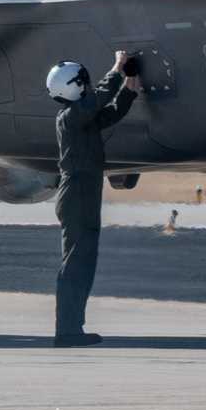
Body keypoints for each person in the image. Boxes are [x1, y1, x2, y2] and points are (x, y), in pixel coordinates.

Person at [46, 52, 141, 347]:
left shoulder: (79, 118)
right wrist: (116, 66)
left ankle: (73, 327)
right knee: (76, 263)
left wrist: (130, 87)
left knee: (83, 262)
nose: (87, 86)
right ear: (74, 87)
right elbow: (100, 97)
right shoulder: (72, 117)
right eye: (83, 82)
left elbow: (110, 113)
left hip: (81, 193)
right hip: (77, 194)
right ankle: (67, 331)